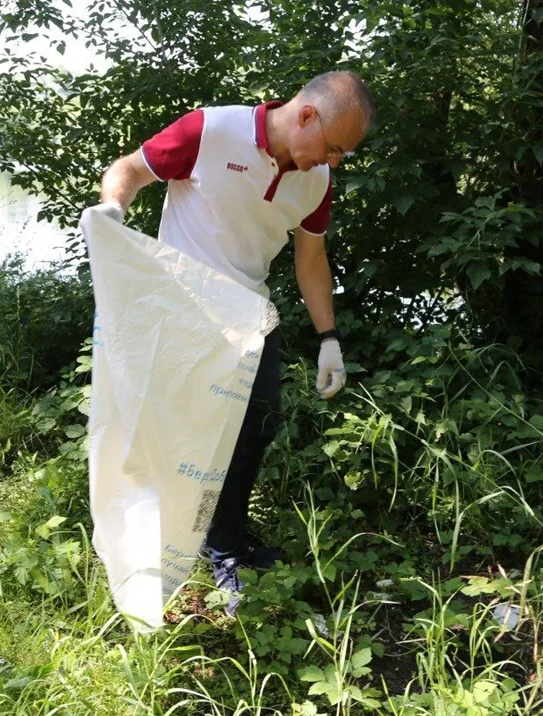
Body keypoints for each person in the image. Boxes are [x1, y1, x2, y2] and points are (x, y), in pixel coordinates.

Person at [96, 71, 376, 614]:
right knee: (174, 431)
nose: (335, 161)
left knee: (260, 421)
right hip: (181, 302)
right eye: (334, 148)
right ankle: (160, 539)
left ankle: (223, 539)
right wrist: (114, 209)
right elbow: (128, 170)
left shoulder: (315, 182)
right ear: (306, 116)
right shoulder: (210, 131)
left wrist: (329, 338)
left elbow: (311, 259)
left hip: (248, 312)